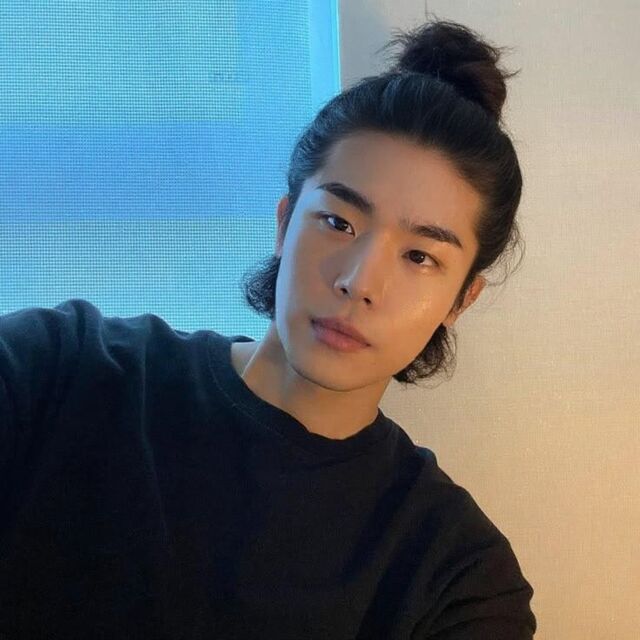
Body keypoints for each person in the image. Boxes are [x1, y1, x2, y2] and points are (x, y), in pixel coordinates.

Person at [0, 17, 536, 640]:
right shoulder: (61, 370)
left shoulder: (458, 577)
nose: (359, 281)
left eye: (420, 256)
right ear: (285, 225)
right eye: (338, 222)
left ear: (461, 300)